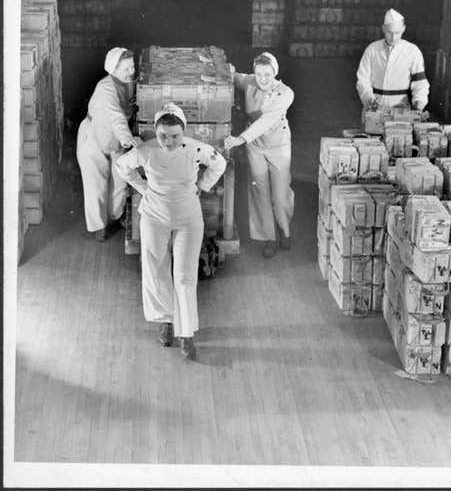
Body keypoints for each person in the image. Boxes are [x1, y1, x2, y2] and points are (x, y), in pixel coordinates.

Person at [115, 103, 227, 360]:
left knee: (185, 275)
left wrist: (203, 185)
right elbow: (123, 166)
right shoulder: (147, 150)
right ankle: (165, 322)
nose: (169, 141)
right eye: (163, 135)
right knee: (155, 269)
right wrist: (143, 188)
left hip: (188, 218)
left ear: (183, 132)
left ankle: (186, 334)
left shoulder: (194, 148)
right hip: (154, 217)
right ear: (156, 132)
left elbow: (218, 164)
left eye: (175, 135)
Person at [224, 52, 295, 259]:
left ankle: (284, 229)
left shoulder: (285, 93)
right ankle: (269, 237)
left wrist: (240, 139)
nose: (262, 79)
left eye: (267, 74)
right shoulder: (250, 82)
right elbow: (234, 75)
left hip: (278, 147)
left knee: (280, 196)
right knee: (260, 192)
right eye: (259, 74)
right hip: (255, 146)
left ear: (275, 73)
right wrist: (223, 68)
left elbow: (266, 121)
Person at [76, 47, 141, 241]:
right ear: (113, 70)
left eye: (132, 66)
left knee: (120, 181)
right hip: (94, 137)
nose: (131, 72)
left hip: (116, 140)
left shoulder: (128, 82)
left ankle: (114, 216)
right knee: (96, 184)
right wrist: (130, 141)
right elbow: (117, 118)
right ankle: (99, 227)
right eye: (126, 69)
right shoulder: (105, 88)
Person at [356, 8, 430, 112]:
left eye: (397, 32)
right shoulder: (372, 50)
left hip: (401, 109)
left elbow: (420, 83)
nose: (393, 37)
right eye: (389, 32)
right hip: (374, 108)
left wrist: (419, 104)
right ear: (383, 29)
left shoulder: (412, 51)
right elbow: (362, 80)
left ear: (404, 29)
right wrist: (369, 100)